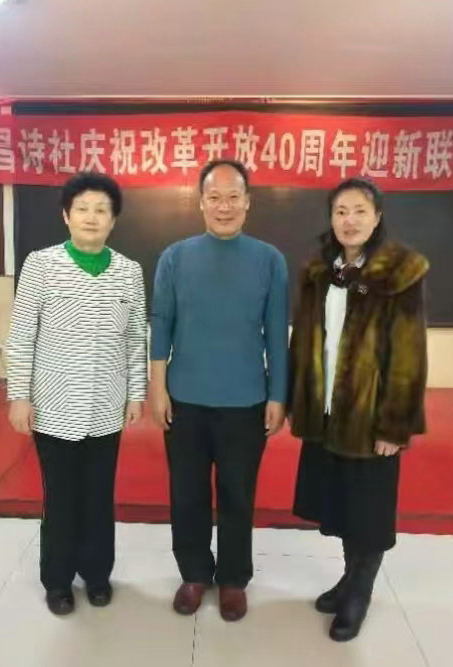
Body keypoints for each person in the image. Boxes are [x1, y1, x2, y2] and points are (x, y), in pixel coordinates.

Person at [288, 177, 428, 641]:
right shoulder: (320, 270)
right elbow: (304, 340)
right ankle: (348, 579)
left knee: (368, 512)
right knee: (343, 504)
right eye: (341, 211)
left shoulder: (399, 272)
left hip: (371, 417)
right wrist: (297, 399)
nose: (349, 221)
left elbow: (409, 355)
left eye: (359, 211)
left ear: (377, 217)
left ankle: (359, 593)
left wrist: (395, 425)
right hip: (327, 413)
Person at [150, 159, 289, 622]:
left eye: (233, 197)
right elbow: (161, 324)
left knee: (237, 495)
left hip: (246, 401)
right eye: (215, 197)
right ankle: (193, 573)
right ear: (201, 203)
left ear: (248, 203)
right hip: (184, 399)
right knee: (186, 493)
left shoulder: (269, 260)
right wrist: (157, 387)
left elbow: (276, 332)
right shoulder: (175, 257)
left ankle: (233, 579)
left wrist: (277, 394)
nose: (224, 206)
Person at [6, 172, 147, 616]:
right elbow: (22, 334)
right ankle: (58, 580)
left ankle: (97, 574)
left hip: (107, 406)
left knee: (99, 495)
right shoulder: (41, 265)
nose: (92, 217)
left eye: (101, 210)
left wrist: (136, 394)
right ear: (66, 216)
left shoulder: (129, 272)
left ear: (113, 220)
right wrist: (19, 395)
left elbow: (135, 339)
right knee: (62, 496)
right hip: (53, 405)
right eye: (82, 208)